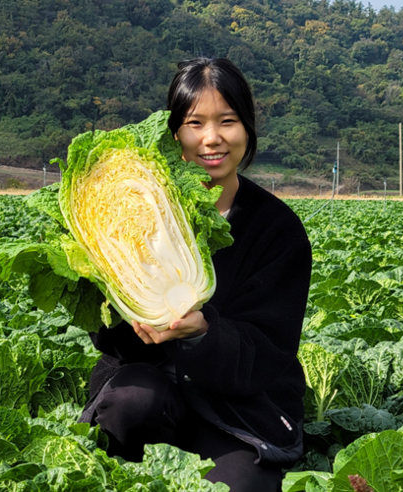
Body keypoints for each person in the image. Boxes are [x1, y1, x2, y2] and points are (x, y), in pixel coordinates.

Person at [79, 57, 312, 491]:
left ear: (247, 129)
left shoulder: (278, 231)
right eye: (194, 123)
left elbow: (266, 351)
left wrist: (202, 334)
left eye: (228, 121)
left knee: (238, 487)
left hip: (240, 407)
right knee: (128, 404)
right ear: (175, 136)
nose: (212, 138)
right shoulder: (135, 213)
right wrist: (130, 315)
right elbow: (105, 332)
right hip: (150, 386)